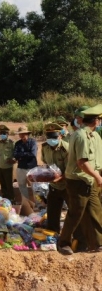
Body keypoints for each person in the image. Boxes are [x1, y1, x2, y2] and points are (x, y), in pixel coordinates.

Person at [59, 104, 102, 255]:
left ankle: (97, 244)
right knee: (75, 213)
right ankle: (64, 243)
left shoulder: (95, 136)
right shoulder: (80, 136)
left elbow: (97, 161)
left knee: (95, 212)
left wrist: (98, 176)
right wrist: (98, 177)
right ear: (96, 121)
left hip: (91, 180)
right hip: (78, 181)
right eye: (99, 119)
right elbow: (82, 163)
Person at [41, 123, 69, 233]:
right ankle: (53, 232)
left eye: (54, 137)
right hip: (53, 185)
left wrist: (60, 178)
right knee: (52, 211)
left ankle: (76, 235)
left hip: (67, 185)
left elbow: (70, 169)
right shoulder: (45, 148)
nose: (51, 140)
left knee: (74, 211)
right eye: (49, 137)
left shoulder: (66, 148)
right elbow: (45, 163)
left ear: (60, 136)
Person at [13, 126, 38, 211]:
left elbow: (33, 154)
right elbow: (15, 155)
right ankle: (26, 204)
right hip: (21, 168)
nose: (22, 136)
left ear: (27, 134)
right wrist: (24, 155)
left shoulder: (33, 142)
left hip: (32, 168)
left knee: (35, 187)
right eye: (21, 134)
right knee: (22, 186)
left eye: (24, 134)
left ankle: (37, 205)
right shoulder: (17, 143)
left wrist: (21, 155)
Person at [0, 125, 15, 201]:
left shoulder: (11, 143)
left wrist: (13, 160)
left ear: (8, 134)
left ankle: (11, 199)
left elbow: (15, 154)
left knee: (9, 185)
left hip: (8, 168)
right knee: (2, 184)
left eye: (4, 133)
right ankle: (5, 199)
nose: (2, 135)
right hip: (0, 167)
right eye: (1, 133)